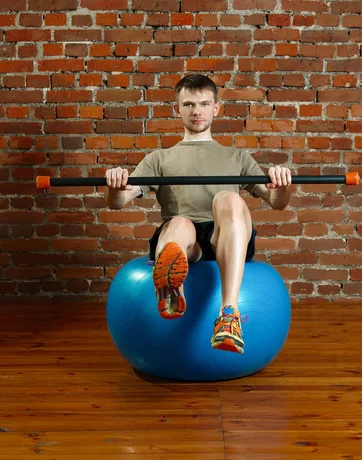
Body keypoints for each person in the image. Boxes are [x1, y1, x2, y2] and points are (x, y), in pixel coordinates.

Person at [105, 74, 291, 354]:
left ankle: (229, 315)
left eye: (204, 103)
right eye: (189, 104)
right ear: (176, 109)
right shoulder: (159, 159)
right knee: (179, 222)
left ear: (216, 108)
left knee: (228, 198)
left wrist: (282, 183)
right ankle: (171, 288)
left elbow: (277, 201)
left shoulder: (236, 158)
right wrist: (115, 183)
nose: (197, 111)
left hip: (225, 237)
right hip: (184, 240)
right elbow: (119, 201)